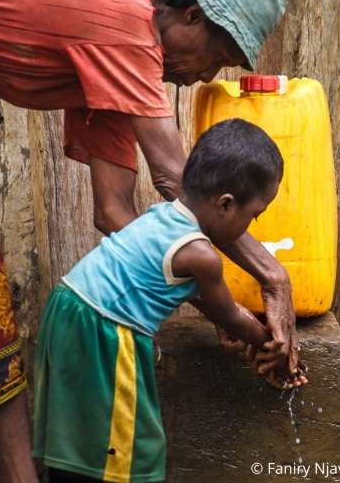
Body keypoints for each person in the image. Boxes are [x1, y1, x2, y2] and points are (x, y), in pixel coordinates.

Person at [0, 0, 302, 480]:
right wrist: (274, 278)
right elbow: (175, 176)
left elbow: (113, 213)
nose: (207, 77)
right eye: (218, 56)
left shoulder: (109, 73)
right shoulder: (125, 21)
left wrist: (197, 289)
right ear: (191, 16)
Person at [33, 118, 298, 483]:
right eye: (254, 215)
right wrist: (273, 347)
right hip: (106, 330)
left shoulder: (161, 217)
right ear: (225, 204)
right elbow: (231, 317)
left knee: (81, 440)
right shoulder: (201, 255)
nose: (250, 226)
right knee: (130, 449)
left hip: (67, 306)